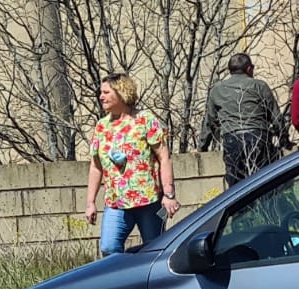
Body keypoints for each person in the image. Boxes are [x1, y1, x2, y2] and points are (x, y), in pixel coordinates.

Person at [85, 73, 179, 256]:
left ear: (121, 93)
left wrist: (169, 194)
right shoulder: (101, 126)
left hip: (149, 201)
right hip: (116, 202)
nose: (101, 97)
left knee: (155, 251)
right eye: (100, 92)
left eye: (106, 92)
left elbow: (164, 158)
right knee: (109, 247)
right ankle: (121, 280)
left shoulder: (145, 120)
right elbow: (96, 167)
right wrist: (90, 202)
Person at [198, 52, 286, 187]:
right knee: (264, 184)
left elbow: (209, 122)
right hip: (258, 137)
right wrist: (283, 140)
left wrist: (202, 147)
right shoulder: (259, 86)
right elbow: (276, 117)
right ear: (249, 69)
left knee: (237, 188)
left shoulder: (217, 90)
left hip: (232, 139)